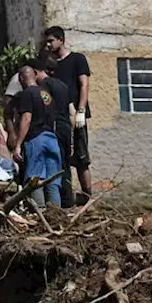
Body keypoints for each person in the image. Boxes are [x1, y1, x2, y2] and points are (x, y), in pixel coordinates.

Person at [44, 26, 93, 201]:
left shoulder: (77, 59)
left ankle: (88, 196)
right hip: (60, 118)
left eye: (51, 41)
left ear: (61, 40)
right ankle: (68, 196)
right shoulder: (52, 65)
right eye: (47, 42)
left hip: (76, 116)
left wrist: (81, 110)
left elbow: (84, 85)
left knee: (81, 157)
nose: (48, 45)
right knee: (63, 158)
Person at [12, 60, 64, 207]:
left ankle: (38, 213)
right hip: (52, 140)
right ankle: (55, 214)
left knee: (34, 179)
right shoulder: (46, 95)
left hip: (36, 140)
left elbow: (26, 118)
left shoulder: (27, 94)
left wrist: (18, 145)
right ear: (34, 75)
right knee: (53, 180)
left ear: (21, 79)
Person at [35, 54, 76, 207]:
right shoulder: (64, 86)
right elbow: (71, 111)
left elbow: (47, 105)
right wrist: (71, 136)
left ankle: (55, 203)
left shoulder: (44, 85)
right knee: (65, 164)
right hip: (65, 127)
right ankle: (68, 200)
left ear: (41, 71)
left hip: (54, 128)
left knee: (54, 166)